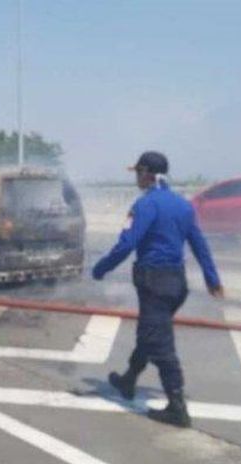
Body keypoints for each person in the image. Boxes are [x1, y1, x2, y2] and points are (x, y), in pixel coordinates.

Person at [92, 151, 224, 428]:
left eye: (138, 173)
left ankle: (177, 407)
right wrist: (212, 279)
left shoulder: (145, 205)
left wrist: (101, 268)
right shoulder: (183, 206)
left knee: (160, 344)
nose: (136, 179)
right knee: (150, 332)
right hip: (177, 284)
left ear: (149, 174)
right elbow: (199, 244)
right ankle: (128, 380)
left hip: (154, 284)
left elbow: (127, 244)